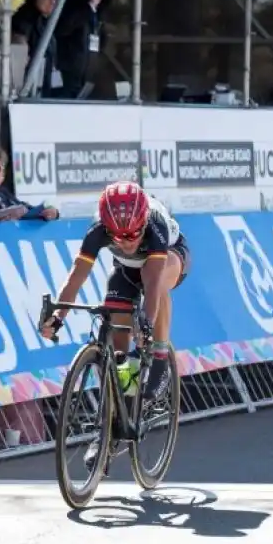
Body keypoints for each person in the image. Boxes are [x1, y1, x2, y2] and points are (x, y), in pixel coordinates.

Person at [39, 181, 190, 474]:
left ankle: (159, 357)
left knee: (151, 285)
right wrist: (57, 318)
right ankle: (111, 427)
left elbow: (153, 285)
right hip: (126, 269)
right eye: (118, 236)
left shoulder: (155, 228)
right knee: (118, 346)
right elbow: (75, 279)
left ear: (143, 222)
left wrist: (146, 325)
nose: (127, 241)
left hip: (168, 259)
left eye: (133, 234)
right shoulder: (98, 231)